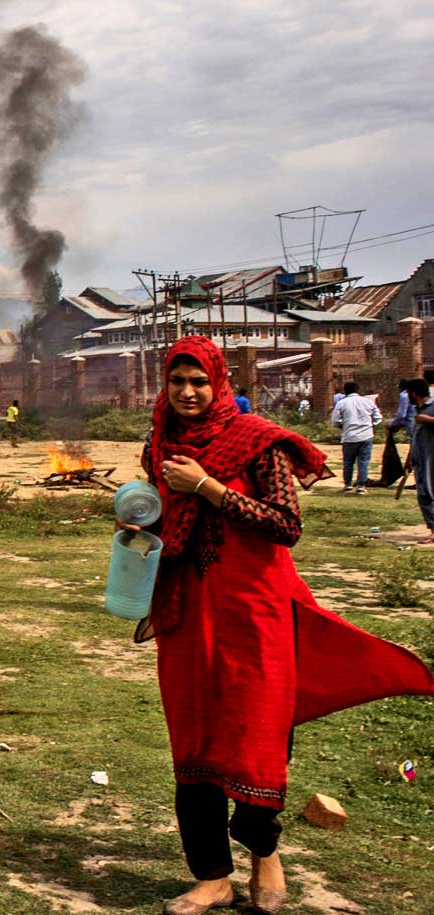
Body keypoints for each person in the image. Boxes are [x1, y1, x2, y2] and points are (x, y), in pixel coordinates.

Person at [126, 337, 434, 915]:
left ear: (219, 383)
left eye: (199, 382)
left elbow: (286, 525)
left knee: (258, 729)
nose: (188, 393)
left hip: (255, 608)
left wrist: (210, 488)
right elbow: (169, 516)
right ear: (164, 387)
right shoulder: (159, 445)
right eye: (177, 382)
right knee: (194, 737)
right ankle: (213, 877)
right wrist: (140, 522)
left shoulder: (257, 442)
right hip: (189, 613)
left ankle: (265, 856)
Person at [329, 382, 381, 494]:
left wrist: (342, 425)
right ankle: (361, 486)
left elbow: (334, 421)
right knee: (363, 461)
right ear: (358, 390)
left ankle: (348, 484)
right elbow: (377, 418)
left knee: (348, 462)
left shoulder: (341, 403)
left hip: (349, 436)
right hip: (366, 435)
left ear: (345, 391)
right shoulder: (368, 402)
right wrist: (370, 425)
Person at [409, 379, 434, 544]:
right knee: (424, 493)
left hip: (431, 458)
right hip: (420, 457)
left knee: (429, 493)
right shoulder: (416, 410)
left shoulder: (431, 409)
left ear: (414, 393)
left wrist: (429, 420)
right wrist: (409, 457)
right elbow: (416, 436)